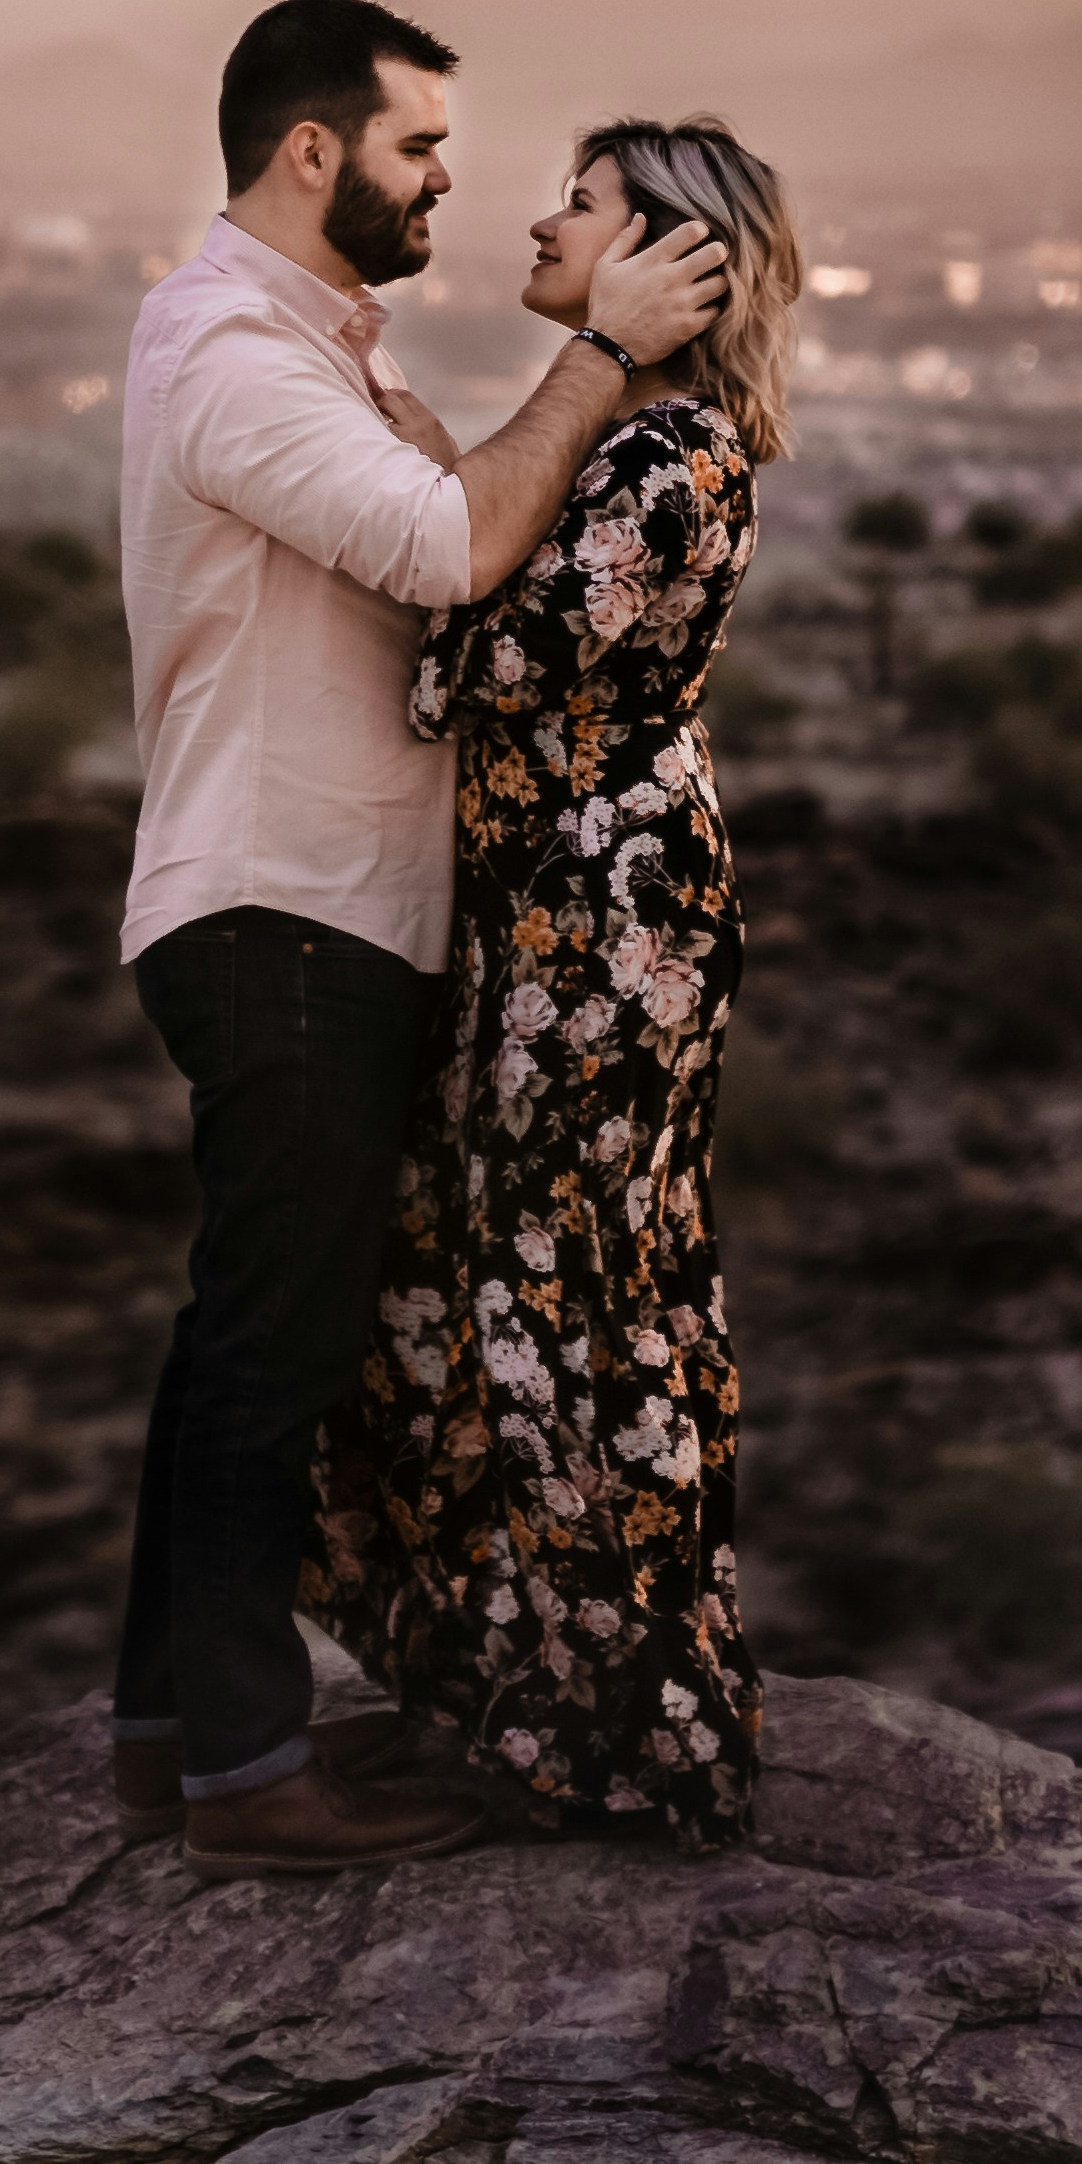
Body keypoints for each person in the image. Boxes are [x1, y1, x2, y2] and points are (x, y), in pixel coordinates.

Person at [108, 0, 730, 1880]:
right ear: (315, 150)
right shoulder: (232, 356)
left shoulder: (320, 350)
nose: (452, 182)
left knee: (250, 1328)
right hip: (281, 903)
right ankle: (245, 1772)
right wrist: (605, 361)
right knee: (272, 1347)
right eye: (421, 149)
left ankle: (175, 1727)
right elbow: (454, 554)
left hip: (328, 909)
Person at [306, 117, 806, 1849]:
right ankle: (530, 1698)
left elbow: (476, 667)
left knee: (565, 1289)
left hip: (597, 923)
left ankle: (625, 1730)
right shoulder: (641, 443)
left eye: (581, 206)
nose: (537, 217)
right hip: (565, 906)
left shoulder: (661, 459)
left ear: (671, 262)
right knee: (539, 1276)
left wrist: (447, 517)